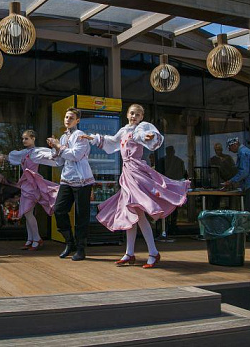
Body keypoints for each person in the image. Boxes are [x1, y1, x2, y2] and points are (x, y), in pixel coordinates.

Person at [81, 104, 190, 268]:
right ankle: (129, 253)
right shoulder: (124, 130)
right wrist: (93, 138)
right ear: (127, 114)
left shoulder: (141, 129)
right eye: (132, 113)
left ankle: (152, 252)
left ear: (141, 117)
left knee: (138, 214)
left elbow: (146, 135)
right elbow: (112, 141)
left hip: (136, 172)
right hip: (127, 173)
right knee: (130, 215)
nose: (134, 116)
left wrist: (149, 136)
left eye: (138, 114)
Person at [47, 108, 94, 261]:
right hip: (67, 179)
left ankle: (81, 249)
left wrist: (58, 147)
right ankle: (70, 242)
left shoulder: (80, 136)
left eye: (71, 117)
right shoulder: (62, 137)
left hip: (82, 181)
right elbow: (60, 160)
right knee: (59, 210)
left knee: (81, 216)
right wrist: (54, 149)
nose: (67, 120)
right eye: (66, 117)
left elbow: (75, 155)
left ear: (77, 120)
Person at [8, 129, 59, 251]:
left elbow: (52, 155)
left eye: (26, 138)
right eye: (23, 138)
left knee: (28, 212)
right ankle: (30, 239)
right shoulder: (24, 152)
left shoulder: (37, 152)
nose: (24, 140)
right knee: (27, 213)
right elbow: (12, 156)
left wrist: (56, 146)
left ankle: (36, 239)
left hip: (32, 185)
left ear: (33, 139)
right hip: (26, 184)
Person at [157, 146, 187, 234]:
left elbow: (183, 175)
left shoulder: (179, 161)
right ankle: (164, 227)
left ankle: (171, 226)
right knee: (166, 207)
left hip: (172, 188)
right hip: (165, 188)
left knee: (173, 208)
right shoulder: (162, 161)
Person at [223, 137, 250, 213]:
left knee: (248, 212)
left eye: (229, 147)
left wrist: (231, 181)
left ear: (234, 145)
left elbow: (244, 172)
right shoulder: (246, 151)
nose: (229, 150)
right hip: (247, 185)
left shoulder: (243, 153)